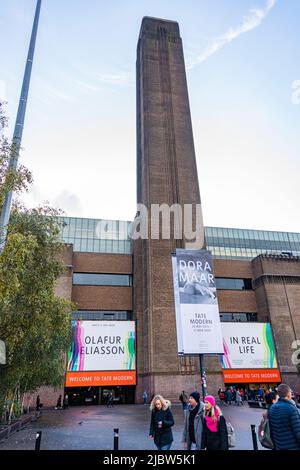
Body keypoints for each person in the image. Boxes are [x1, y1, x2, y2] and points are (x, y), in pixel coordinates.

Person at [268, 383, 300, 450]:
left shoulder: (272, 408)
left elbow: (271, 431)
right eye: (291, 393)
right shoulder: (291, 409)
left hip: (279, 446)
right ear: (288, 394)